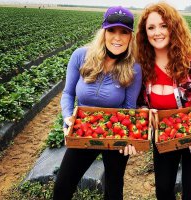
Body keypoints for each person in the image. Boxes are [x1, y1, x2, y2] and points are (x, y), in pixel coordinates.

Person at [53, 6, 142, 200]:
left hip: (115, 131)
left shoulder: (134, 67)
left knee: (114, 189)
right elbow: (68, 93)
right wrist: (68, 117)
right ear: (103, 31)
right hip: (83, 129)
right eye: (112, 30)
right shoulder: (80, 56)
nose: (117, 37)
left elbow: (129, 108)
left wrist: (128, 138)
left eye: (124, 32)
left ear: (130, 36)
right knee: (62, 187)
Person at [136, 2, 191, 200]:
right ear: (145, 33)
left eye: (163, 25)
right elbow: (140, 102)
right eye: (151, 28)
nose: (157, 32)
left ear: (174, 27)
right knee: (162, 188)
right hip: (165, 134)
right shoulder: (142, 65)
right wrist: (146, 111)